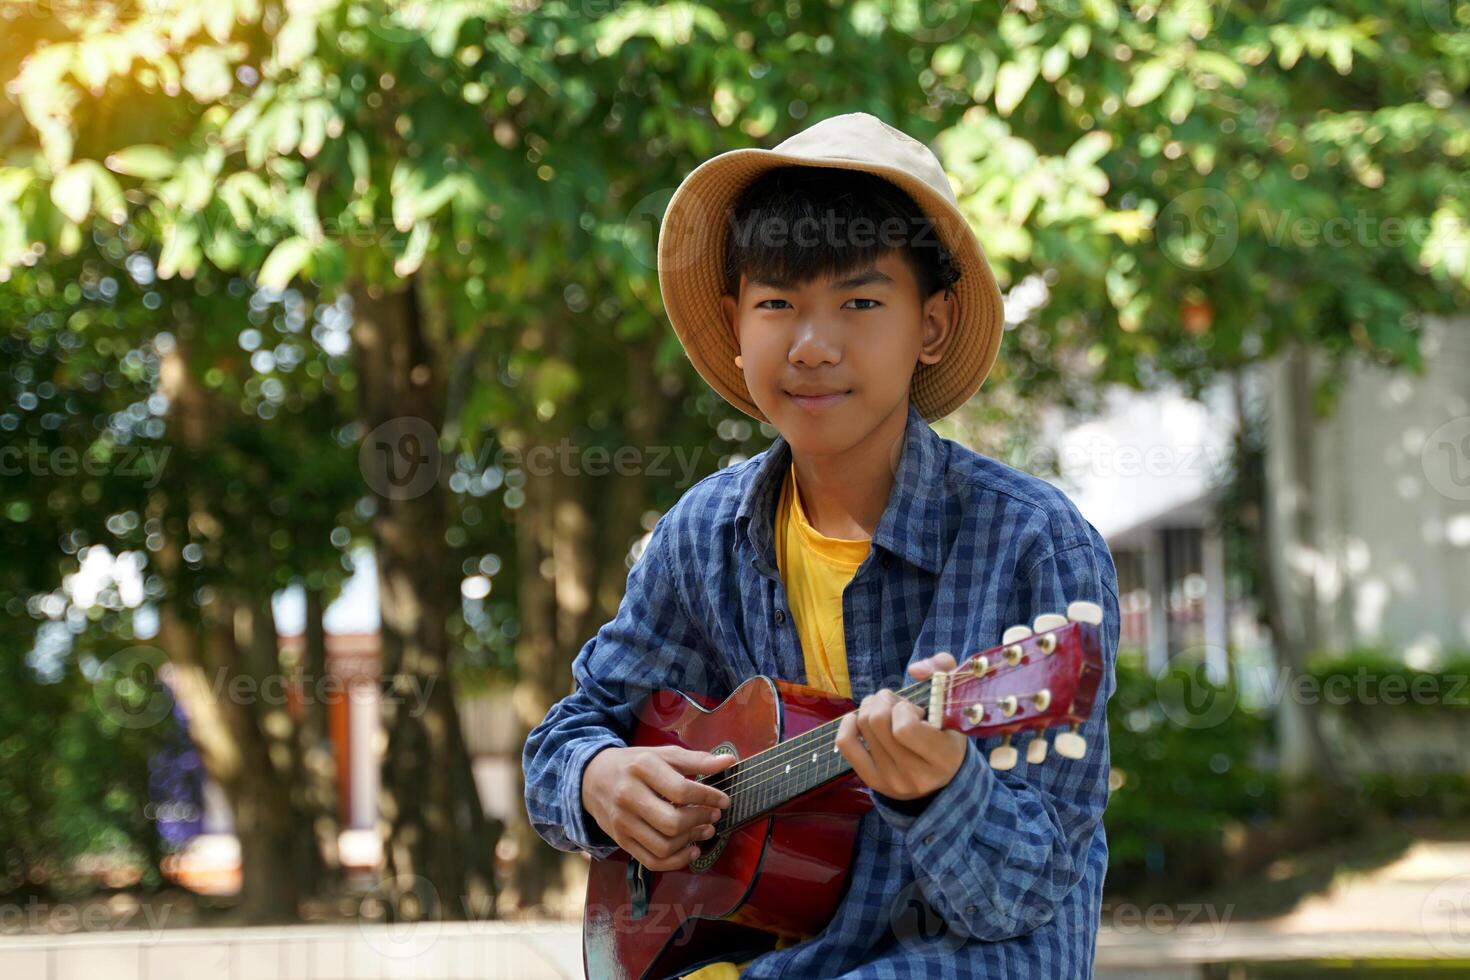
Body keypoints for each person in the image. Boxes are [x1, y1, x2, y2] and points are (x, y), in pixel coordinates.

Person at [522, 111, 1120, 979]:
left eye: (861, 302)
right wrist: (596, 778)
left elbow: (1024, 901)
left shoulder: (1033, 543)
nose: (812, 345)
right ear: (736, 324)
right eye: (778, 304)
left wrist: (945, 788)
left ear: (933, 324)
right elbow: (564, 735)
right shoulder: (705, 536)